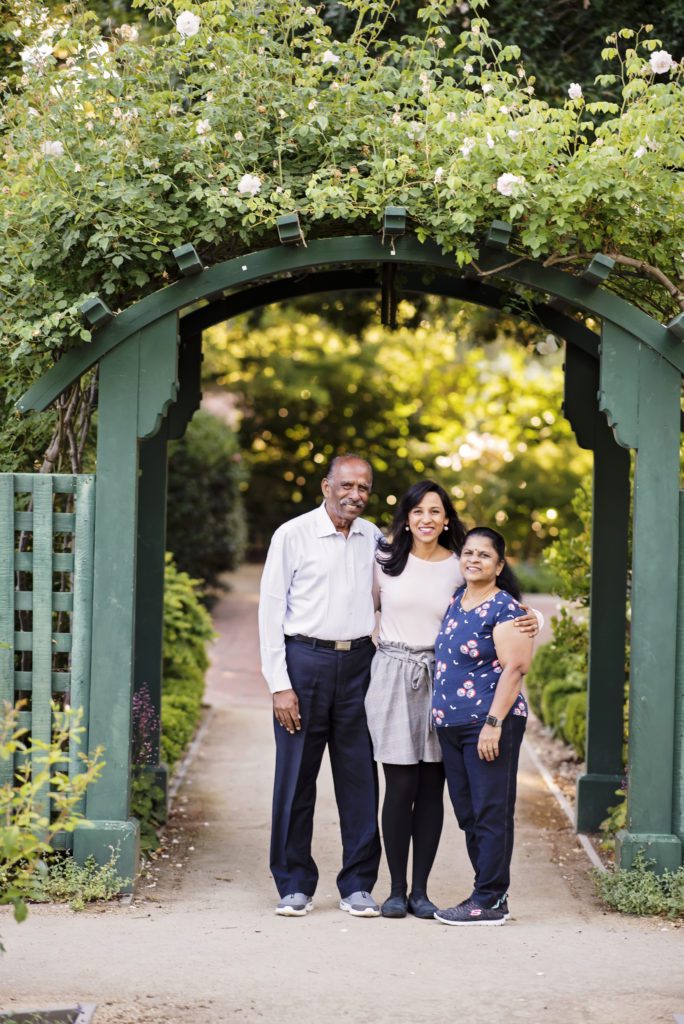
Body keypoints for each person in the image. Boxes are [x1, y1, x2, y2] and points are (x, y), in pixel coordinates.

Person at [365, 484, 539, 920]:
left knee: (453, 797)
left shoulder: (463, 571)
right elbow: (361, 608)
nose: (426, 518)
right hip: (420, 692)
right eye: (418, 510)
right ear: (406, 517)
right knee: (421, 794)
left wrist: (534, 617)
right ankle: (401, 890)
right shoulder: (392, 564)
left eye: (435, 511)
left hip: (465, 700)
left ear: (447, 519)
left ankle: (454, 895)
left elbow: (508, 622)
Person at [258, 454, 382, 919]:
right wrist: (279, 684)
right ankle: (293, 883)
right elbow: (270, 611)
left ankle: (358, 884)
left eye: (363, 487)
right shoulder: (292, 535)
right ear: (326, 486)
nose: (355, 494)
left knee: (360, 778)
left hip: (360, 666)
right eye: (347, 485)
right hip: (304, 663)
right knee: (295, 778)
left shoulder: (374, 538)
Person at [432, 526, 534, 926]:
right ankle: (487, 893)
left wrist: (494, 723)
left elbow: (516, 668)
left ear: (499, 565)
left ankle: (489, 899)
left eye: (484, 555)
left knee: (491, 811)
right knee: (469, 814)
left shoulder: (505, 609)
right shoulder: (457, 600)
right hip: (452, 725)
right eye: (469, 553)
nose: (474, 560)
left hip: (488, 724)